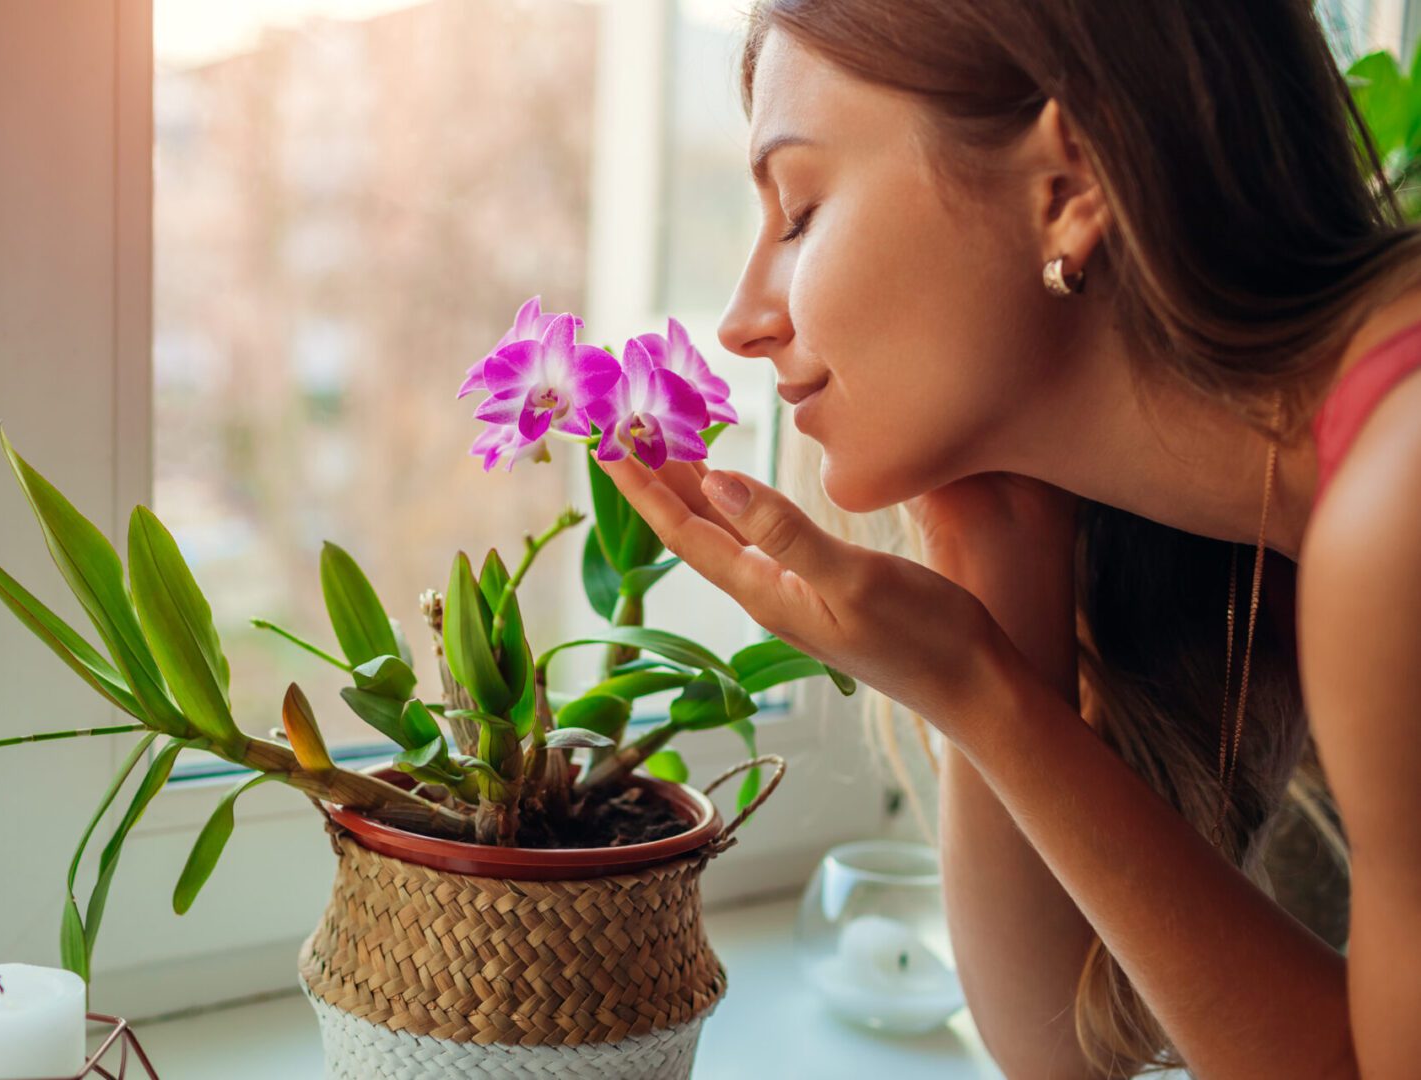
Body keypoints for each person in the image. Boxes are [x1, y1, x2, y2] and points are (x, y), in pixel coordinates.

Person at [597, 3, 1421, 1076]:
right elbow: (1057, 1056)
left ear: (1069, 189)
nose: (742, 318)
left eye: (799, 210)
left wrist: (981, 689)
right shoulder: (1306, 493)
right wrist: (991, 606)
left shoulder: (1396, 505)